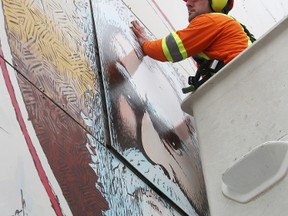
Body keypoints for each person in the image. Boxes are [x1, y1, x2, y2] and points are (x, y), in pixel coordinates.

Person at [131, 0, 255, 92]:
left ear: (216, 2)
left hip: (237, 88)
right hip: (241, 88)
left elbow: (167, 50)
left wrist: (145, 42)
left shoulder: (212, 21)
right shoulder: (227, 23)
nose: (188, 3)